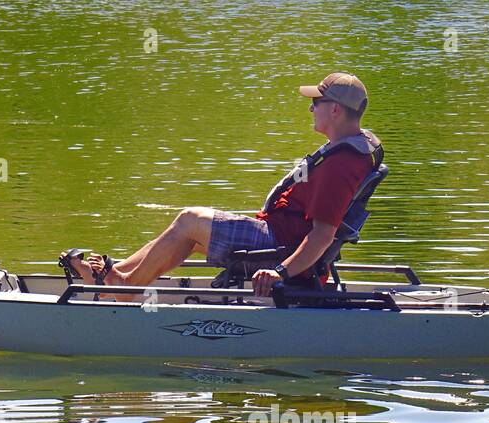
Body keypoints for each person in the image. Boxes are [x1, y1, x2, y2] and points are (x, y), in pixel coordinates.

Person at [60, 72, 382, 300]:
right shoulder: (350, 149)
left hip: (281, 247)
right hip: (279, 234)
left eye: (316, 102)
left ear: (336, 110)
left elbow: (322, 235)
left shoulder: (339, 166)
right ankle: (116, 276)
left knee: (191, 220)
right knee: (184, 232)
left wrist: (280, 273)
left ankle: (124, 290)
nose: (311, 107)